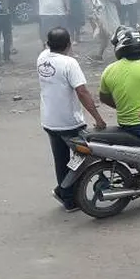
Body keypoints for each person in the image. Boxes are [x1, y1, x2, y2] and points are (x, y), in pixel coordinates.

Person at [38, 27, 106, 212]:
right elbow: (82, 92)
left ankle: (68, 198)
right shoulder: (69, 63)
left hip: (49, 120)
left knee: (61, 159)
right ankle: (65, 190)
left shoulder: (42, 57)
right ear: (68, 44)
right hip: (69, 122)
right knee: (87, 156)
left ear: (48, 44)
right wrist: (98, 119)